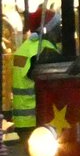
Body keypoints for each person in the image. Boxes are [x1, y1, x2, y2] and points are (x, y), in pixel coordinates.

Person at [8, 7, 57, 135]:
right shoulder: (44, 49)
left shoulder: (23, 49)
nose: (60, 31)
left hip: (22, 122)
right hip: (38, 119)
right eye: (57, 26)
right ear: (47, 29)